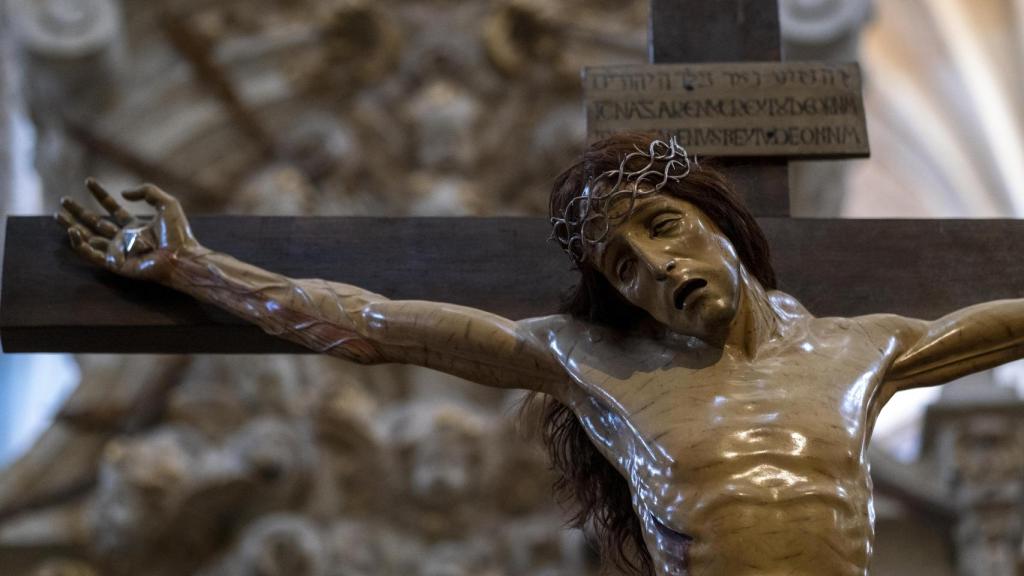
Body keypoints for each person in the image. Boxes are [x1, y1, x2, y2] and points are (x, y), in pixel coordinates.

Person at [56, 133, 1024, 576]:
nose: (655, 267)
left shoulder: (864, 349)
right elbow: (374, 323)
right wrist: (194, 270)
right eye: (622, 265)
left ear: (721, 223)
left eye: (664, 227)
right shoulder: (593, 363)